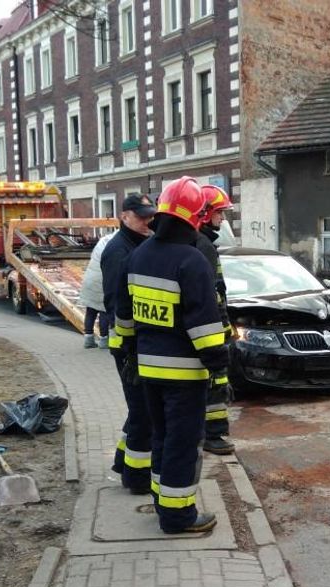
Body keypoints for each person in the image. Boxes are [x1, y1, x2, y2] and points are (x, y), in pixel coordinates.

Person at [115, 177, 229, 535]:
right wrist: (220, 369)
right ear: (195, 217)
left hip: (148, 371)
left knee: (162, 439)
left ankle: (162, 500)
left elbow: (124, 316)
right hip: (184, 377)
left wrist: (131, 351)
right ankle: (178, 516)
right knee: (182, 445)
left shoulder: (138, 255)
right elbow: (205, 327)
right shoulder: (192, 260)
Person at [102, 193, 156, 492]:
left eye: (150, 214)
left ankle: (124, 461)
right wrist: (130, 344)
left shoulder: (139, 245)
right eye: (142, 216)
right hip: (127, 344)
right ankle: (136, 478)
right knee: (141, 411)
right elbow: (116, 302)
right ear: (125, 217)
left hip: (135, 343)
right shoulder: (118, 251)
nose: (149, 220)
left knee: (141, 408)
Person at [195, 185, 235, 455]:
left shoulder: (201, 243)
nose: (222, 219)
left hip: (208, 326)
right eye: (220, 213)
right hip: (211, 328)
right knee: (216, 382)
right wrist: (224, 329)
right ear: (205, 213)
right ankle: (214, 435)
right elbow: (213, 295)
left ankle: (208, 433)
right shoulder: (203, 246)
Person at [77, 228, 117, 349]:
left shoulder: (103, 241)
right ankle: (104, 340)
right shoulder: (114, 243)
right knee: (104, 311)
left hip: (90, 280)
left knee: (91, 311)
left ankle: (88, 339)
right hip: (101, 282)